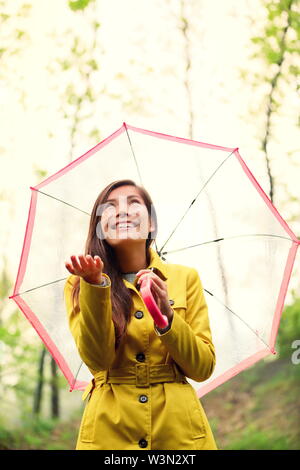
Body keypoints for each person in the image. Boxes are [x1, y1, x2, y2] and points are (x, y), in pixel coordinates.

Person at [64, 178, 218, 450]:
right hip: (108, 432)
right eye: (109, 207)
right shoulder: (80, 283)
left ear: (151, 224)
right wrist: (95, 286)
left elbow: (202, 367)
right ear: (100, 227)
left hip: (179, 434)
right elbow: (97, 360)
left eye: (133, 203)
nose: (122, 210)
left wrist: (167, 317)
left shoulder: (185, 278)